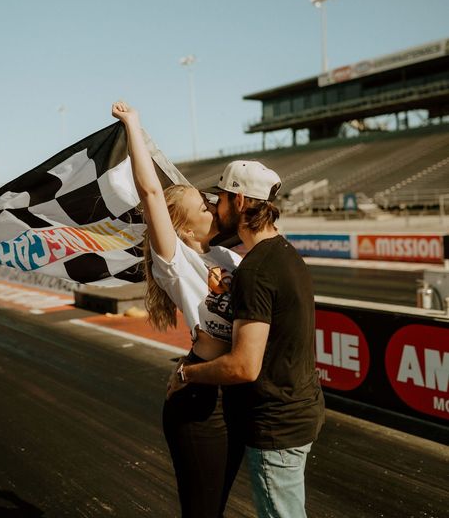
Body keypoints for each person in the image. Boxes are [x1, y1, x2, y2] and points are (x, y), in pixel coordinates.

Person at [167, 160, 325, 518]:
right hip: (300, 409)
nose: (214, 206)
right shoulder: (281, 254)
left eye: (219, 198)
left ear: (238, 201)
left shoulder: (255, 269)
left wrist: (186, 374)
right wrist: (233, 286)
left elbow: (243, 366)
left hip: (276, 424)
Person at [111, 101, 245, 518]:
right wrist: (133, 125)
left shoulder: (227, 255)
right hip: (198, 398)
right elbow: (151, 192)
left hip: (238, 391)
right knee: (202, 510)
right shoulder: (176, 262)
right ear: (183, 228)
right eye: (203, 206)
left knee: (217, 505)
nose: (211, 206)